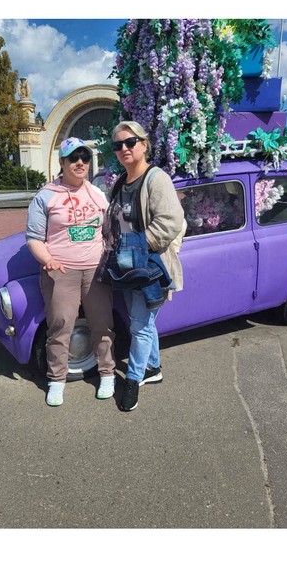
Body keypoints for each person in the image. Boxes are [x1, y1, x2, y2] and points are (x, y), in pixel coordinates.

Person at [100, 121, 186, 411]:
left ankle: (133, 380)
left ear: (144, 144)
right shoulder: (120, 183)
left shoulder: (156, 179)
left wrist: (137, 245)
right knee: (143, 323)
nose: (124, 148)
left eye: (130, 142)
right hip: (125, 266)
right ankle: (154, 367)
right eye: (118, 145)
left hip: (150, 266)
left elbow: (171, 221)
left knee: (140, 325)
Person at [26, 137, 115, 406]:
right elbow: (34, 238)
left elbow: (109, 229)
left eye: (84, 158)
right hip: (61, 271)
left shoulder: (97, 193)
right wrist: (48, 260)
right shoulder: (46, 195)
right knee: (60, 326)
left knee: (102, 324)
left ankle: (107, 374)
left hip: (95, 270)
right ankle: (56, 380)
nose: (80, 163)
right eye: (73, 158)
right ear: (62, 162)